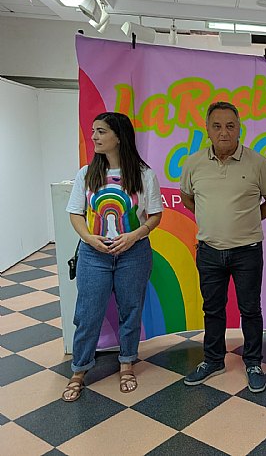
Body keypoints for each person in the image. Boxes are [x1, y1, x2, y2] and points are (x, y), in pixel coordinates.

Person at [62, 112, 163, 402]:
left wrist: (134, 236)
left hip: (134, 253)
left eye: (101, 131)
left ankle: (127, 363)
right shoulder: (86, 173)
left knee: (131, 310)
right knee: (87, 313)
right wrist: (89, 238)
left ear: (119, 137)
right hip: (93, 255)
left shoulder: (144, 174)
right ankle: (80, 369)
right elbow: (76, 213)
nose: (94, 136)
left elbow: (155, 215)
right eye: (94, 131)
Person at [180, 101, 266, 392]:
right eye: (217, 126)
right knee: (212, 309)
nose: (224, 132)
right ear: (207, 129)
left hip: (247, 250)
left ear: (239, 129)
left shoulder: (257, 163)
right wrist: (212, 219)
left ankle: (253, 362)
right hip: (209, 250)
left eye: (230, 126)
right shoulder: (194, 163)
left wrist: (246, 221)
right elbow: (188, 198)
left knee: (250, 309)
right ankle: (213, 360)